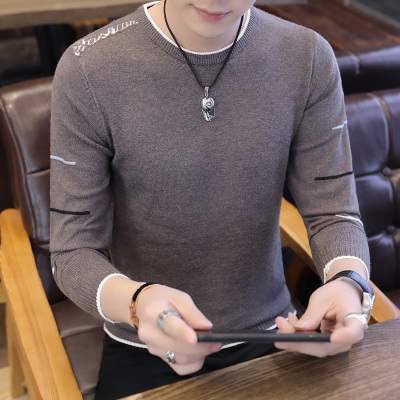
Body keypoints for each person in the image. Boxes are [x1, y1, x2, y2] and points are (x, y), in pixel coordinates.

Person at [50, 1, 372, 398]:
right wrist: (137, 303)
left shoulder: (306, 56)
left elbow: (333, 212)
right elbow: (73, 250)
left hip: (276, 333)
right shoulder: (88, 67)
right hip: (144, 339)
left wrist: (349, 284)